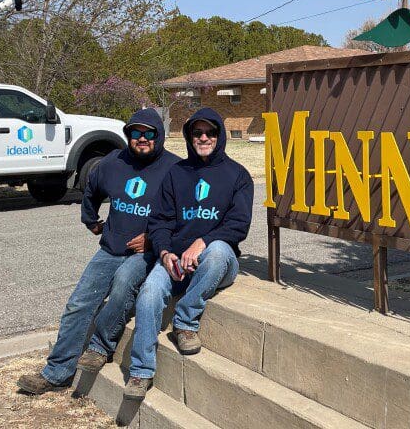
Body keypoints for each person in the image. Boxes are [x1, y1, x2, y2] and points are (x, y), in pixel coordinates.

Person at [17, 108, 178, 395]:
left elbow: (184, 217)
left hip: (146, 254)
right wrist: (91, 220)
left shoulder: (175, 170)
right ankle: (56, 374)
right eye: (135, 133)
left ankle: (100, 346)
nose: (142, 139)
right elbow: (91, 190)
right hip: (110, 248)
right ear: (128, 135)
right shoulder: (112, 162)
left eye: (149, 133)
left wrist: (153, 239)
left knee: (123, 285)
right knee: (78, 304)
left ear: (159, 135)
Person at [123, 108, 253, 400]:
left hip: (216, 262)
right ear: (189, 136)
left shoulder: (238, 175)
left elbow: (238, 226)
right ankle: (141, 372)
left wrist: (202, 242)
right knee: (150, 292)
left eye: (210, 132)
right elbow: (160, 221)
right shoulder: (176, 174)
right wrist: (166, 252)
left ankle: (184, 322)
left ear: (219, 136)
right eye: (197, 133)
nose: (204, 138)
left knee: (218, 251)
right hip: (176, 259)